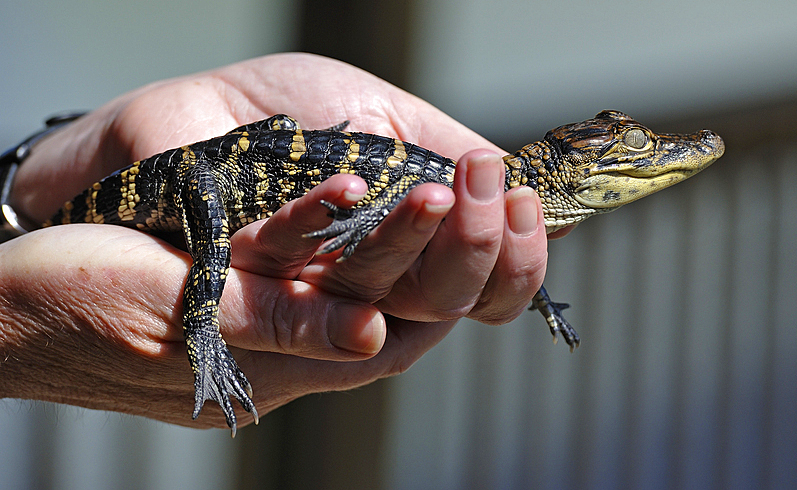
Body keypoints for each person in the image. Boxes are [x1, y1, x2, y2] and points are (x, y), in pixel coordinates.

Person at [0, 52, 554, 432]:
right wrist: (15, 317)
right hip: (206, 176)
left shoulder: (499, 194)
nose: (646, 160)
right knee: (214, 247)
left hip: (227, 166)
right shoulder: (494, 185)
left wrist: (537, 292)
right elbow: (400, 200)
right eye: (628, 150)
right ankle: (202, 339)